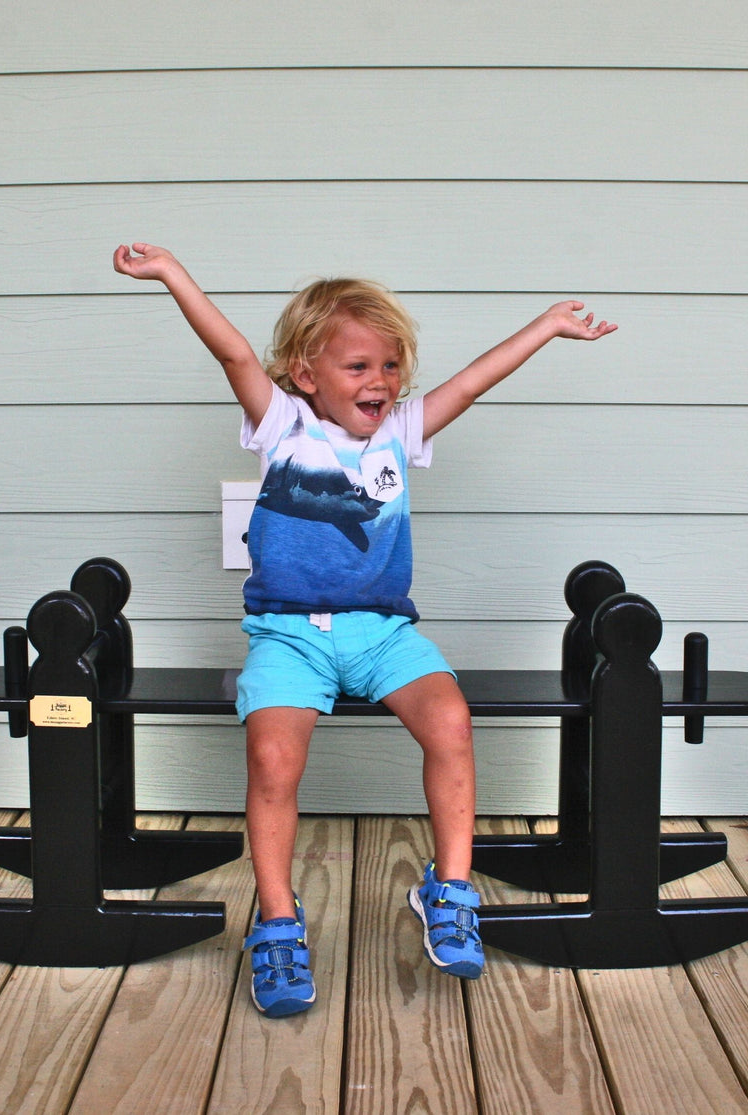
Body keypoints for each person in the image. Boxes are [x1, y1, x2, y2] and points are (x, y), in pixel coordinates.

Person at [113, 242, 616, 1018]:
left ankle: (448, 890)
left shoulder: (400, 432)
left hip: (383, 632)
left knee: (451, 721)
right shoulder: (282, 426)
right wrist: (174, 275)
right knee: (273, 755)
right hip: (289, 634)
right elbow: (233, 350)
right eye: (357, 367)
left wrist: (546, 326)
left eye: (390, 366)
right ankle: (278, 921)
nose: (379, 382)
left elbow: (475, 380)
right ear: (306, 375)